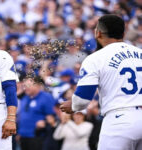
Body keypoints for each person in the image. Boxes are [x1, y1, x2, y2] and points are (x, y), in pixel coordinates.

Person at [60, 14, 142, 150]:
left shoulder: (95, 58)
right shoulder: (140, 53)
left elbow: (83, 99)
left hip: (119, 119)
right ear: (123, 33)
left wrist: (73, 105)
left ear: (98, 33)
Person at [17, 76, 55, 150]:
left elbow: (52, 118)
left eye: (29, 85)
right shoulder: (25, 98)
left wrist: (45, 122)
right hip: (23, 137)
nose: (26, 88)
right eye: (25, 86)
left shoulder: (46, 97)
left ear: (37, 85)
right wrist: (20, 133)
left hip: (38, 137)